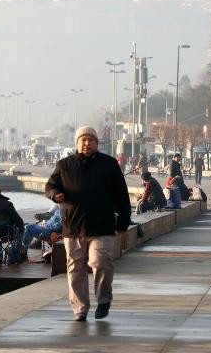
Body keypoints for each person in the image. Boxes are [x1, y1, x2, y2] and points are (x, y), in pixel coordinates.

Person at [45, 126, 131, 322]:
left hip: (102, 226)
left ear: (97, 143)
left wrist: (123, 222)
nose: (86, 143)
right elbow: (50, 185)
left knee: (100, 262)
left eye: (90, 140)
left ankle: (104, 299)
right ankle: (80, 308)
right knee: (75, 269)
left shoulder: (109, 164)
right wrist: (54, 195)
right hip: (73, 227)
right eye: (83, 140)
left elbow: (121, 195)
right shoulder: (64, 165)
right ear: (77, 143)